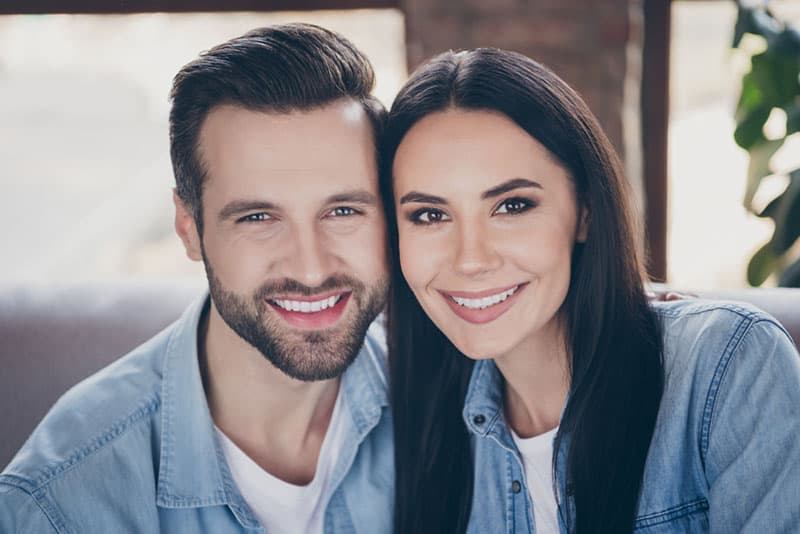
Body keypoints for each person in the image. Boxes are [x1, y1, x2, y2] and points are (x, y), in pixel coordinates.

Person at [380, 48, 800, 533]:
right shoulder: (415, 414)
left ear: (584, 211)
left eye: (512, 206)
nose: (470, 259)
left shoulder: (726, 370)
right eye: (429, 215)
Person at [0, 24, 393, 533]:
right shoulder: (56, 504)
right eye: (257, 218)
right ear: (189, 229)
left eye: (343, 211)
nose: (311, 267)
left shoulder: (454, 409)